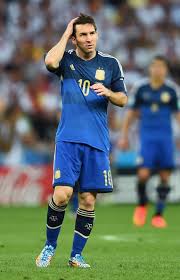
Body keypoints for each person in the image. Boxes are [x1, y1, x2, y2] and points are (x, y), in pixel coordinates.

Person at [36, 14, 127, 268]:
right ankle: (49, 246)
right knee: (63, 195)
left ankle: (76, 255)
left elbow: (123, 99)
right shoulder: (66, 61)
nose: (89, 39)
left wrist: (108, 92)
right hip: (68, 139)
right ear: (75, 38)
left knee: (87, 200)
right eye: (83, 34)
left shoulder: (110, 64)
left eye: (92, 33)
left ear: (97, 34)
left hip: (97, 142)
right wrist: (65, 33)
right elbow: (49, 60)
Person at [119, 55, 180, 228]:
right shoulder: (141, 88)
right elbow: (130, 113)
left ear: (166, 70)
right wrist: (123, 136)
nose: (157, 70)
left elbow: (177, 115)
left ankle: (158, 215)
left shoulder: (171, 90)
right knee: (143, 174)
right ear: (150, 69)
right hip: (147, 138)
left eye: (161, 66)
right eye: (154, 66)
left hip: (166, 139)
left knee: (164, 176)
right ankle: (142, 205)